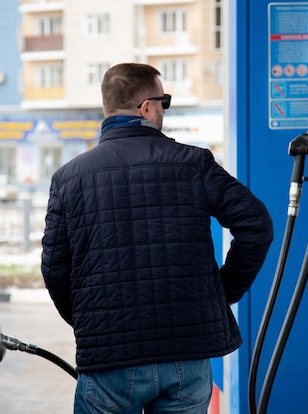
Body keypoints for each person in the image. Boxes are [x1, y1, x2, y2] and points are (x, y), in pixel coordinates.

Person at [41, 63, 273, 413]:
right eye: (164, 100)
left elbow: (55, 270)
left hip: (108, 360)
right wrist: (222, 293)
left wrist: (95, 320)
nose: (164, 109)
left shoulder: (69, 178)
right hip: (187, 351)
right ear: (146, 107)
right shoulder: (194, 164)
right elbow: (257, 226)